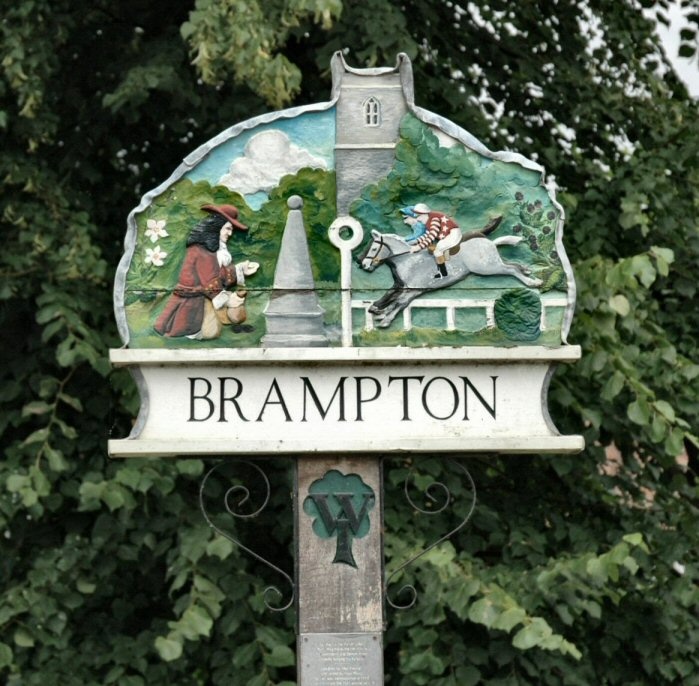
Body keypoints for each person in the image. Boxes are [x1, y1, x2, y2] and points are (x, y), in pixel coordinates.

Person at [154, 204, 258, 339]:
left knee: (231, 315)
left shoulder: (213, 250)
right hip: (191, 303)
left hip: (204, 297)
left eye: (231, 230)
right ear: (216, 228)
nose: (230, 233)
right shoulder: (201, 250)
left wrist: (240, 270)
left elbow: (218, 274)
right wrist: (228, 300)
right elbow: (210, 281)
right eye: (227, 229)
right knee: (211, 332)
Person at [403, 203, 462, 278]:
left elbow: (431, 236)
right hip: (446, 235)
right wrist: (416, 241)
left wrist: (418, 247)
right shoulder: (428, 221)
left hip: (453, 234)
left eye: (418, 216)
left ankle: (443, 274)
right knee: (438, 249)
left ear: (424, 214)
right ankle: (442, 271)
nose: (417, 219)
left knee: (437, 251)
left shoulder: (434, 219)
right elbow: (427, 234)